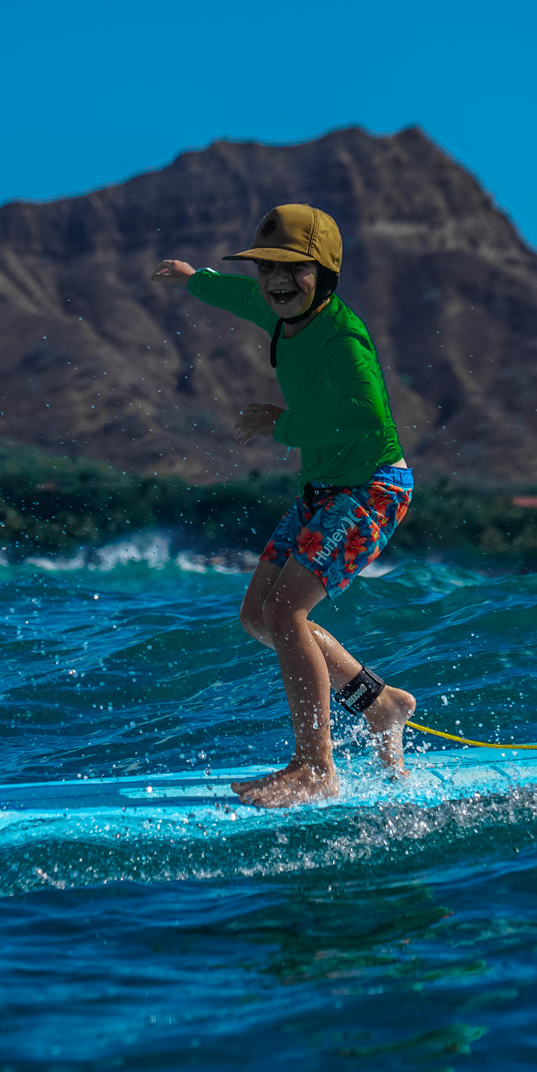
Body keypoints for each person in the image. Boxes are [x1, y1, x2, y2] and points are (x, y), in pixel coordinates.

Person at [150, 204, 418, 807]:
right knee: (259, 616)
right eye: (268, 266)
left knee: (289, 613)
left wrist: (285, 425)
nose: (276, 279)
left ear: (324, 274)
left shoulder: (342, 337)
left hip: (371, 487)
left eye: (293, 268)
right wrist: (193, 278)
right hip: (324, 490)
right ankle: (382, 705)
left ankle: (315, 768)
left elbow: (367, 416)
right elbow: (239, 297)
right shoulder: (278, 316)